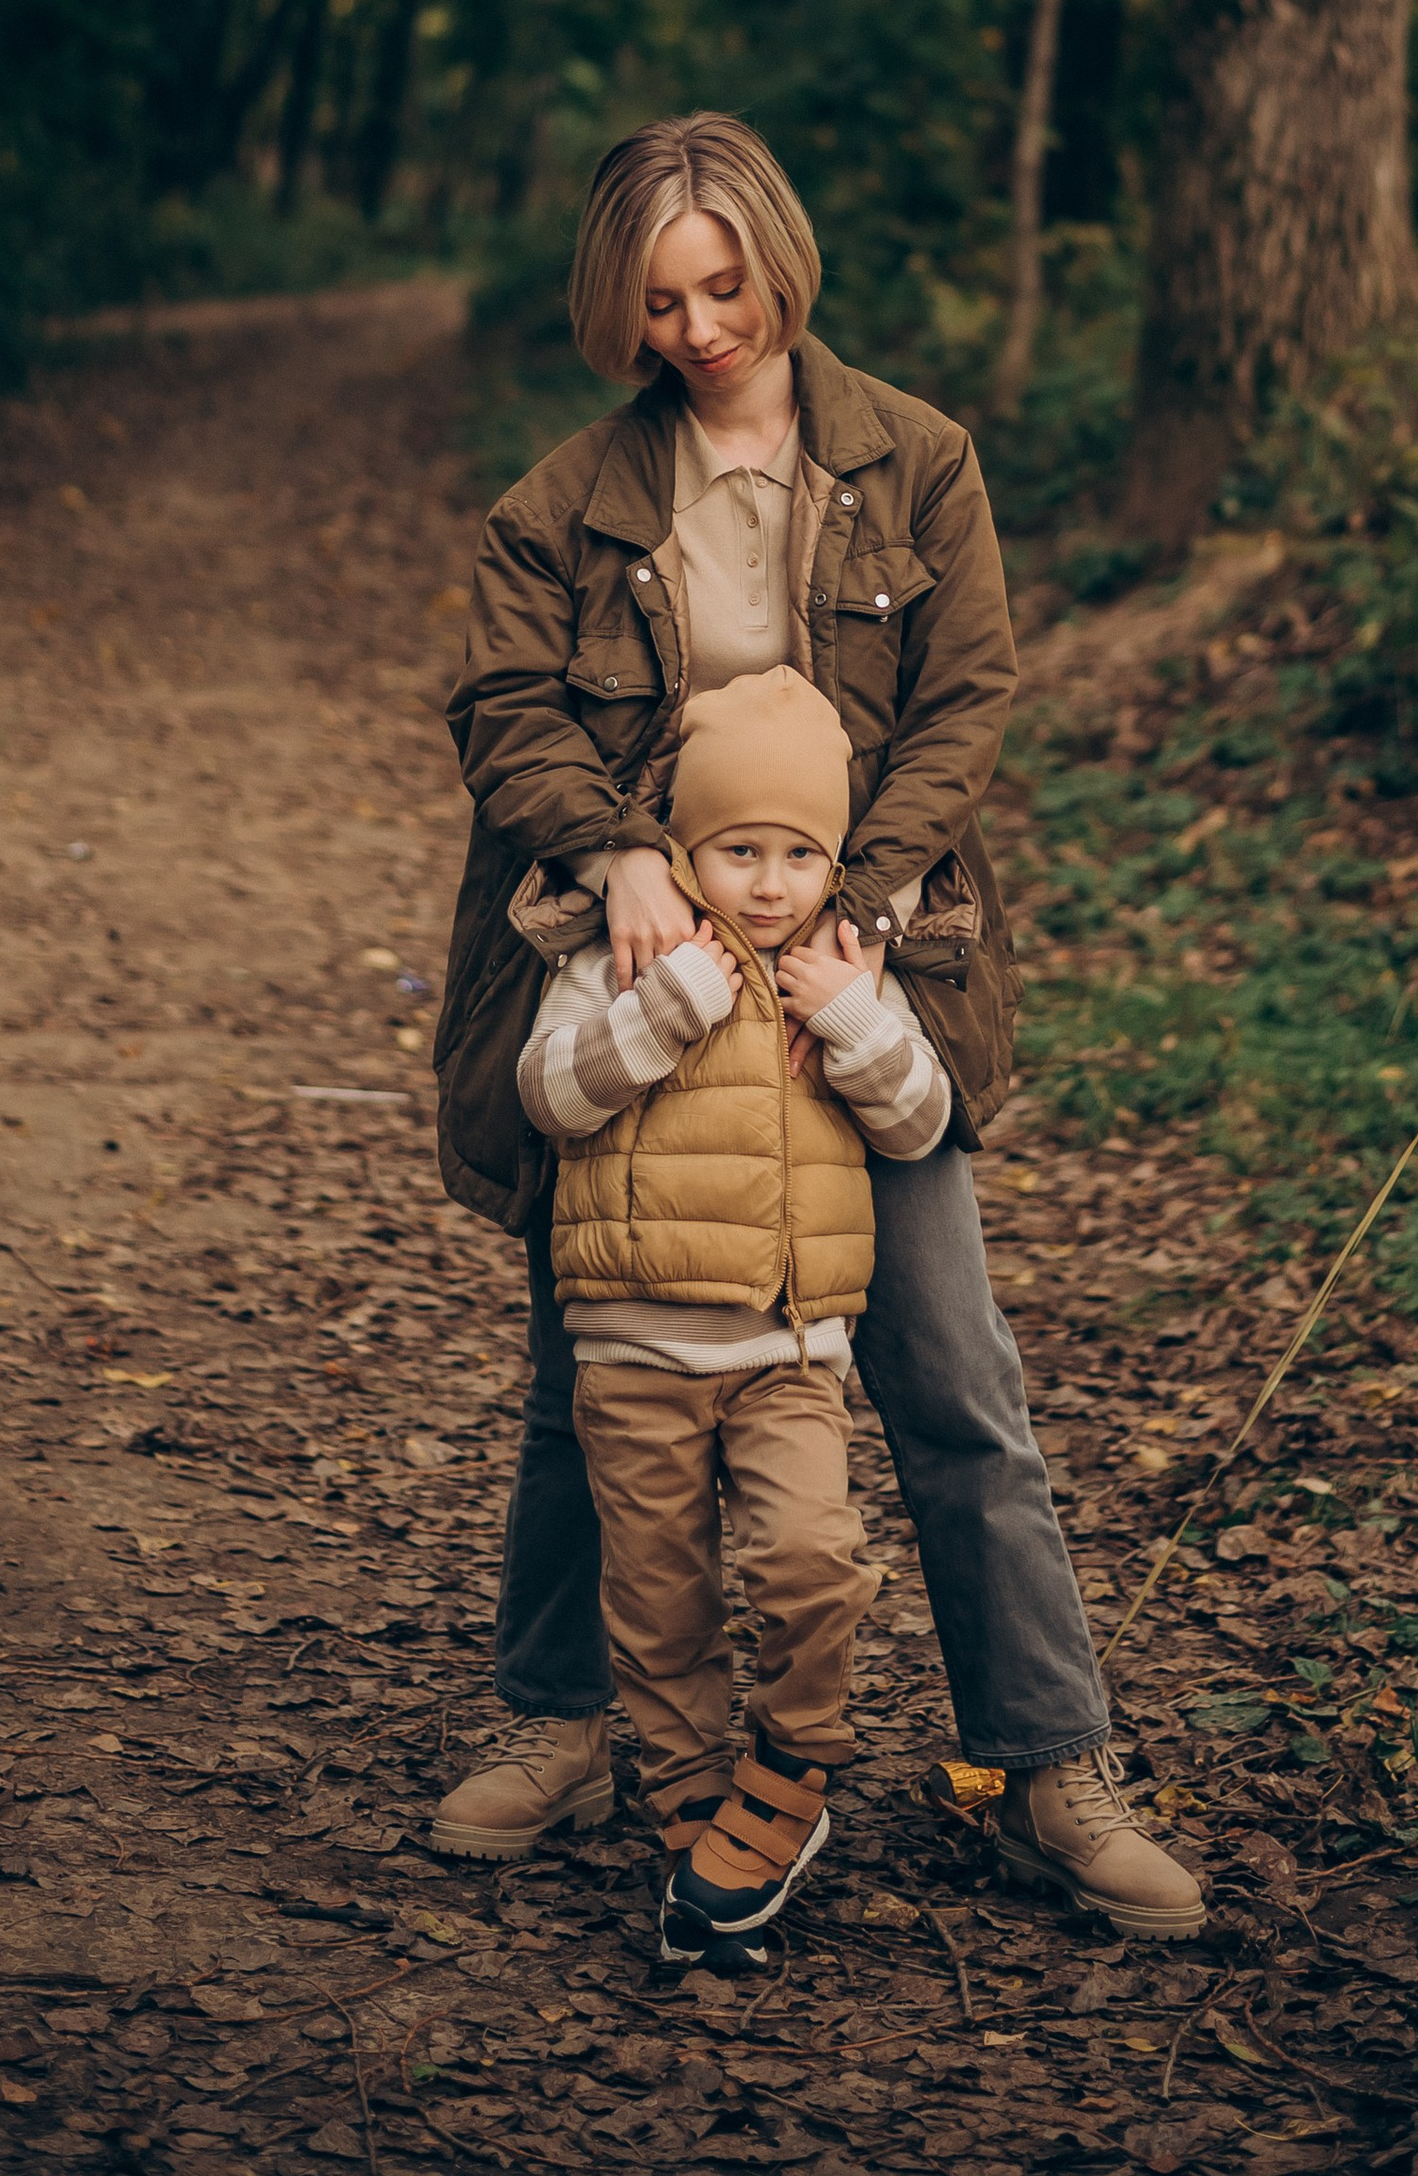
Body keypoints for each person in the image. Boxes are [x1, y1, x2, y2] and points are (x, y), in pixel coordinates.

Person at [429, 111, 1204, 1936]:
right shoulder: (560, 505)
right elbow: (501, 704)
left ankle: (1047, 1759)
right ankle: (558, 1722)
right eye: (659, 303)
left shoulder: (918, 463)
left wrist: (860, 900)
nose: (700, 329)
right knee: (588, 1365)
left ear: (777, 255)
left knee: (949, 1367)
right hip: (634, 976)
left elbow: (970, 692)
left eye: (724, 285)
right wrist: (619, 850)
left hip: (855, 965)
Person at [515, 664, 949, 1961]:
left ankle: (793, 1772)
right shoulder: (627, 958)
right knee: (659, 1611)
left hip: (789, 1349)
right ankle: (704, 1832)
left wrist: (859, 1022)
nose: (769, 882)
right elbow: (549, 1096)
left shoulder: (847, 972)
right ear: (683, 850)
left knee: (813, 1562)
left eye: (799, 852)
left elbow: (923, 1120)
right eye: (738, 849)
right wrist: (666, 1010)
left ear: (835, 861)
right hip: (633, 1353)